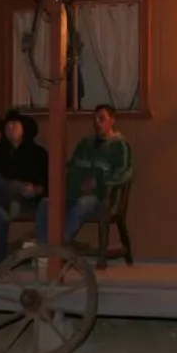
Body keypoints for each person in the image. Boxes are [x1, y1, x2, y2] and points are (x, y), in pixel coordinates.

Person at [33, 103, 132, 247]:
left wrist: (98, 181)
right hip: (73, 193)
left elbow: (124, 172)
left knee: (83, 204)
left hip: (101, 199)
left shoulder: (120, 146)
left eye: (101, 119)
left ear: (112, 120)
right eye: (95, 120)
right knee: (45, 203)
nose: (97, 123)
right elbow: (72, 166)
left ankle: (58, 245)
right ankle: (42, 248)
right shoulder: (85, 144)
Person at [0, 108, 49, 266]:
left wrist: (34, 189)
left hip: (25, 199)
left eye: (15, 124)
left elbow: (46, 182)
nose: (10, 128)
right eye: (7, 126)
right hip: (2, 198)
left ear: (24, 128)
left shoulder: (38, 153)